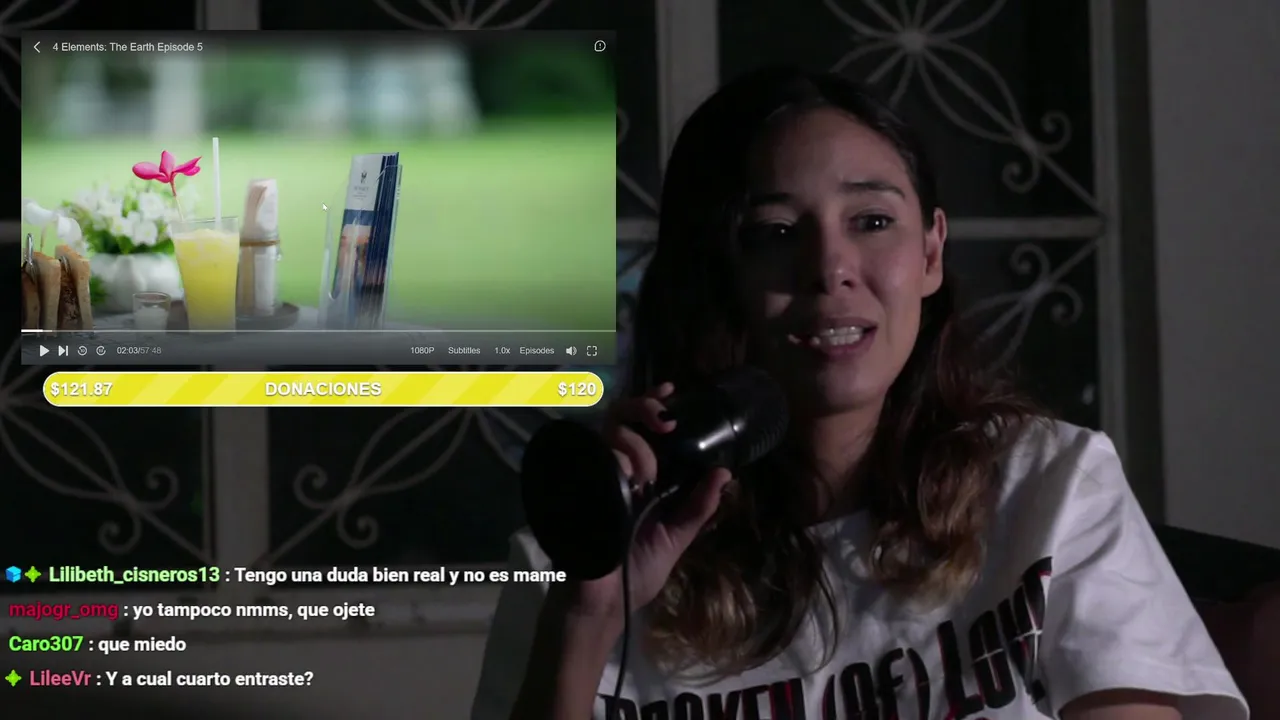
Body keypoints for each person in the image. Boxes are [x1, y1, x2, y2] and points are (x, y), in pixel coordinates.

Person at [470, 68, 1247, 720]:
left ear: (932, 253)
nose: (830, 269)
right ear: (717, 277)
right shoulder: (574, 563)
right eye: (775, 233)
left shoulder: (1049, 483)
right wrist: (590, 615)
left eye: (872, 220)